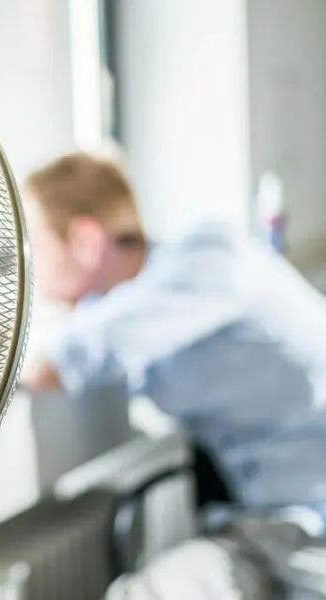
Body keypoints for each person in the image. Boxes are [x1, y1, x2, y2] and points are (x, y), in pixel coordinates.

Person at [22, 152, 326, 599]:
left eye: (36, 245)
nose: (30, 267)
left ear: (85, 240)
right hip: (260, 527)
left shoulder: (206, 258)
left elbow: (55, 365)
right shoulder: (126, 305)